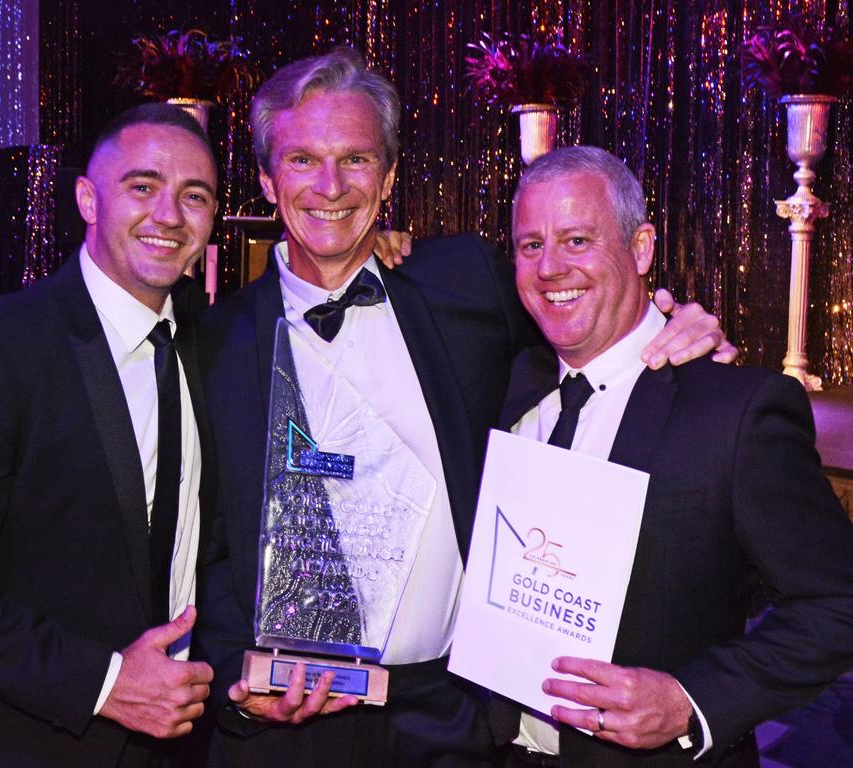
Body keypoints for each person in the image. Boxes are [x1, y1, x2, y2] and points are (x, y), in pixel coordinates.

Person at [192, 48, 733, 768]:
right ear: (265, 178)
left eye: (355, 160)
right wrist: (235, 674)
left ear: (386, 180)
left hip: (451, 720)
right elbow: (203, 543)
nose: (330, 186)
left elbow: (579, 321)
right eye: (301, 161)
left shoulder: (463, 283)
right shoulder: (211, 342)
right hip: (286, 724)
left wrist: (671, 324)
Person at [0, 103, 218, 766]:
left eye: (193, 196)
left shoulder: (211, 340)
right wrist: (105, 683)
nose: (169, 216)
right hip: (13, 743)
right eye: (142, 187)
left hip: (172, 746)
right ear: (88, 198)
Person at [492, 145, 853, 767]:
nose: (550, 266)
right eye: (531, 245)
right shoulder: (507, 383)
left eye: (577, 240)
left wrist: (692, 701)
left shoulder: (736, 412)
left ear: (640, 249)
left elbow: (837, 601)